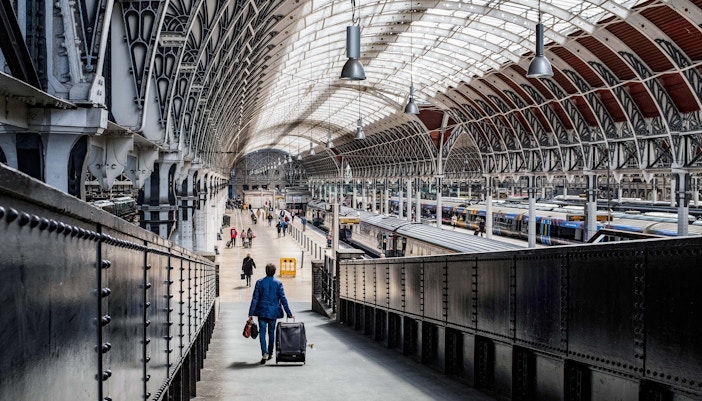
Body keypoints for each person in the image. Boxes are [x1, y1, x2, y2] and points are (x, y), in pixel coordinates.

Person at [248, 263, 293, 364]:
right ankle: (271, 352)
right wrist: (289, 313)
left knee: (262, 333)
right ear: (274, 271)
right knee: (271, 332)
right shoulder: (278, 284)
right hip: (273, 312)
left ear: (266, 271)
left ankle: (264, 353)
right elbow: (283, 299)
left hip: (262, 311)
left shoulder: (259, 282)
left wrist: (251, 313)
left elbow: (255, 298)